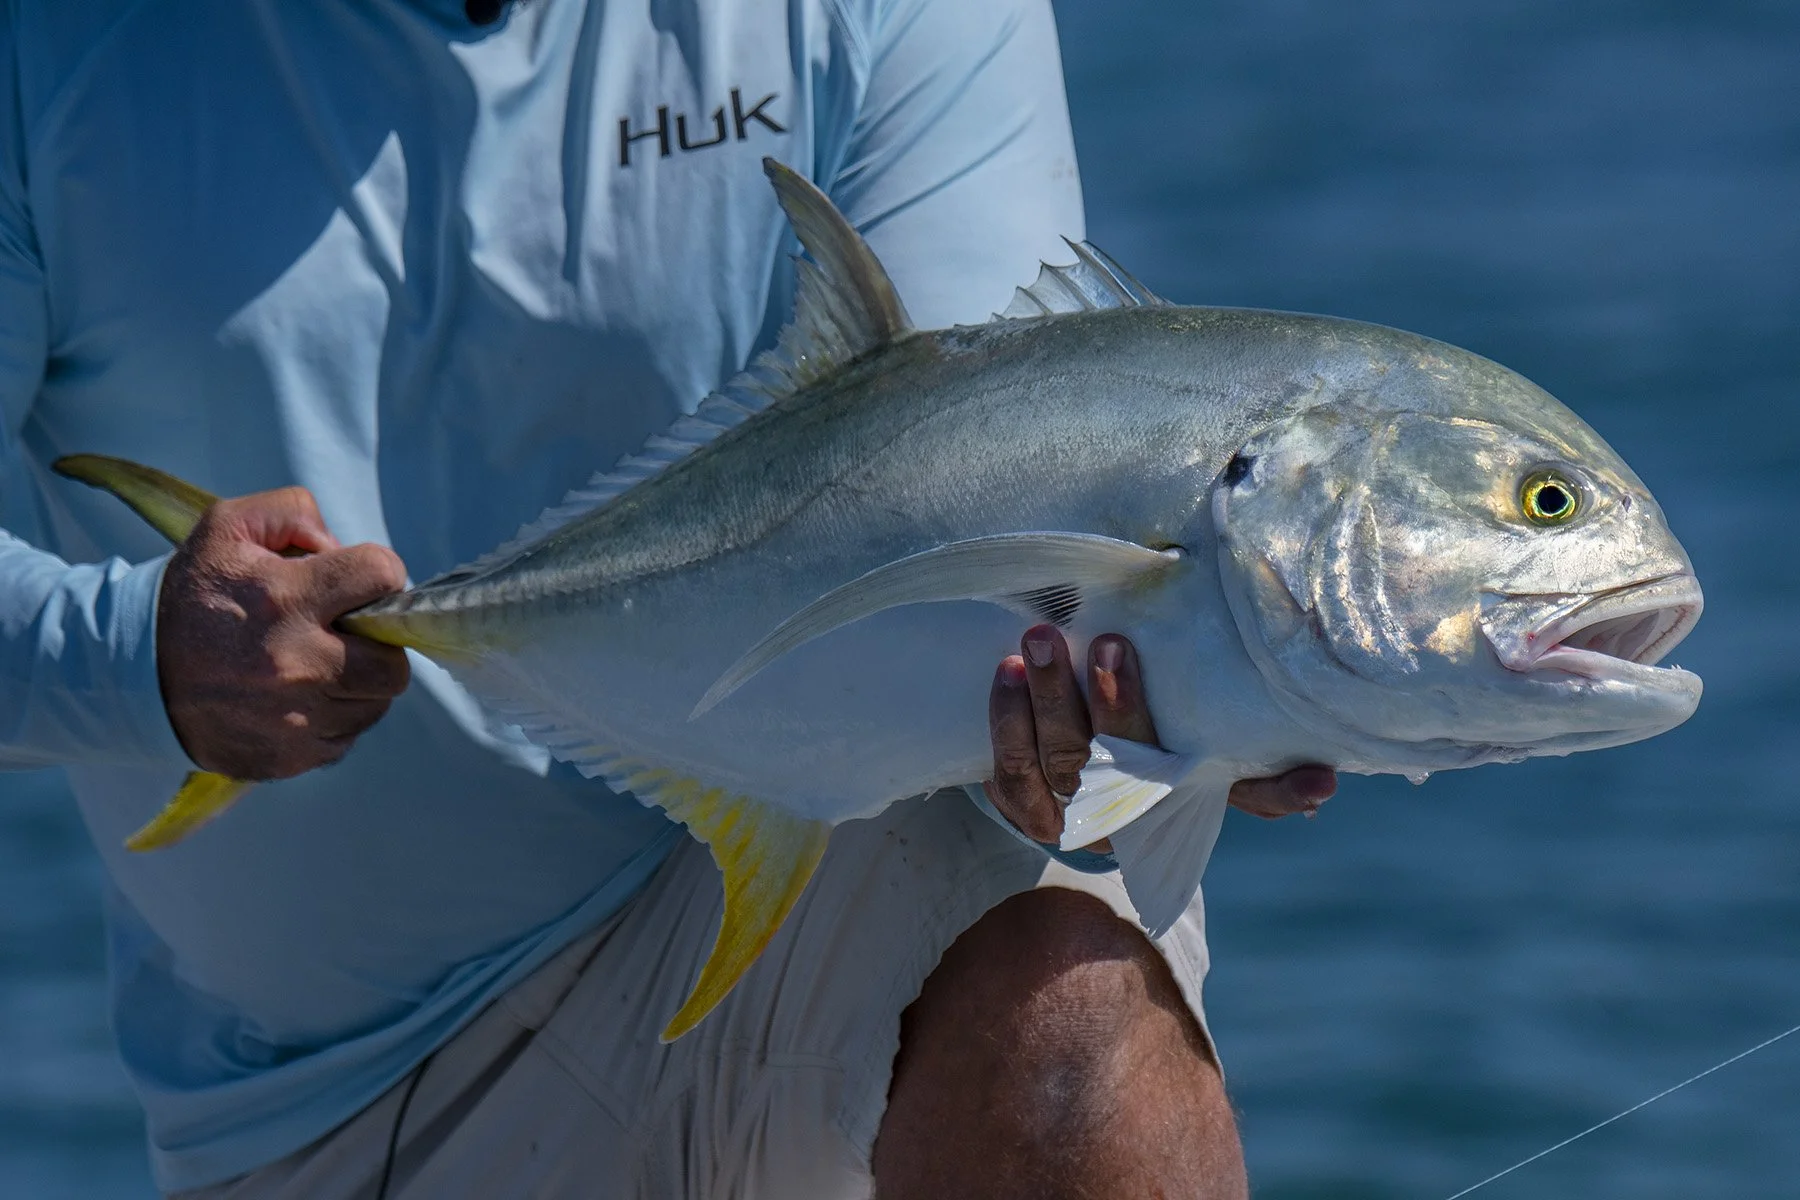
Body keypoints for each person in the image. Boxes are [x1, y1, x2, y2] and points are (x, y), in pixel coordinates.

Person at [0, 1, 1333, 1196]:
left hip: (804, 909)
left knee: (1075, 1036)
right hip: (347, 1104)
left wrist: (1213, 689)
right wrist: (137, 657)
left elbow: (994, 509)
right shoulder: (47, 51)